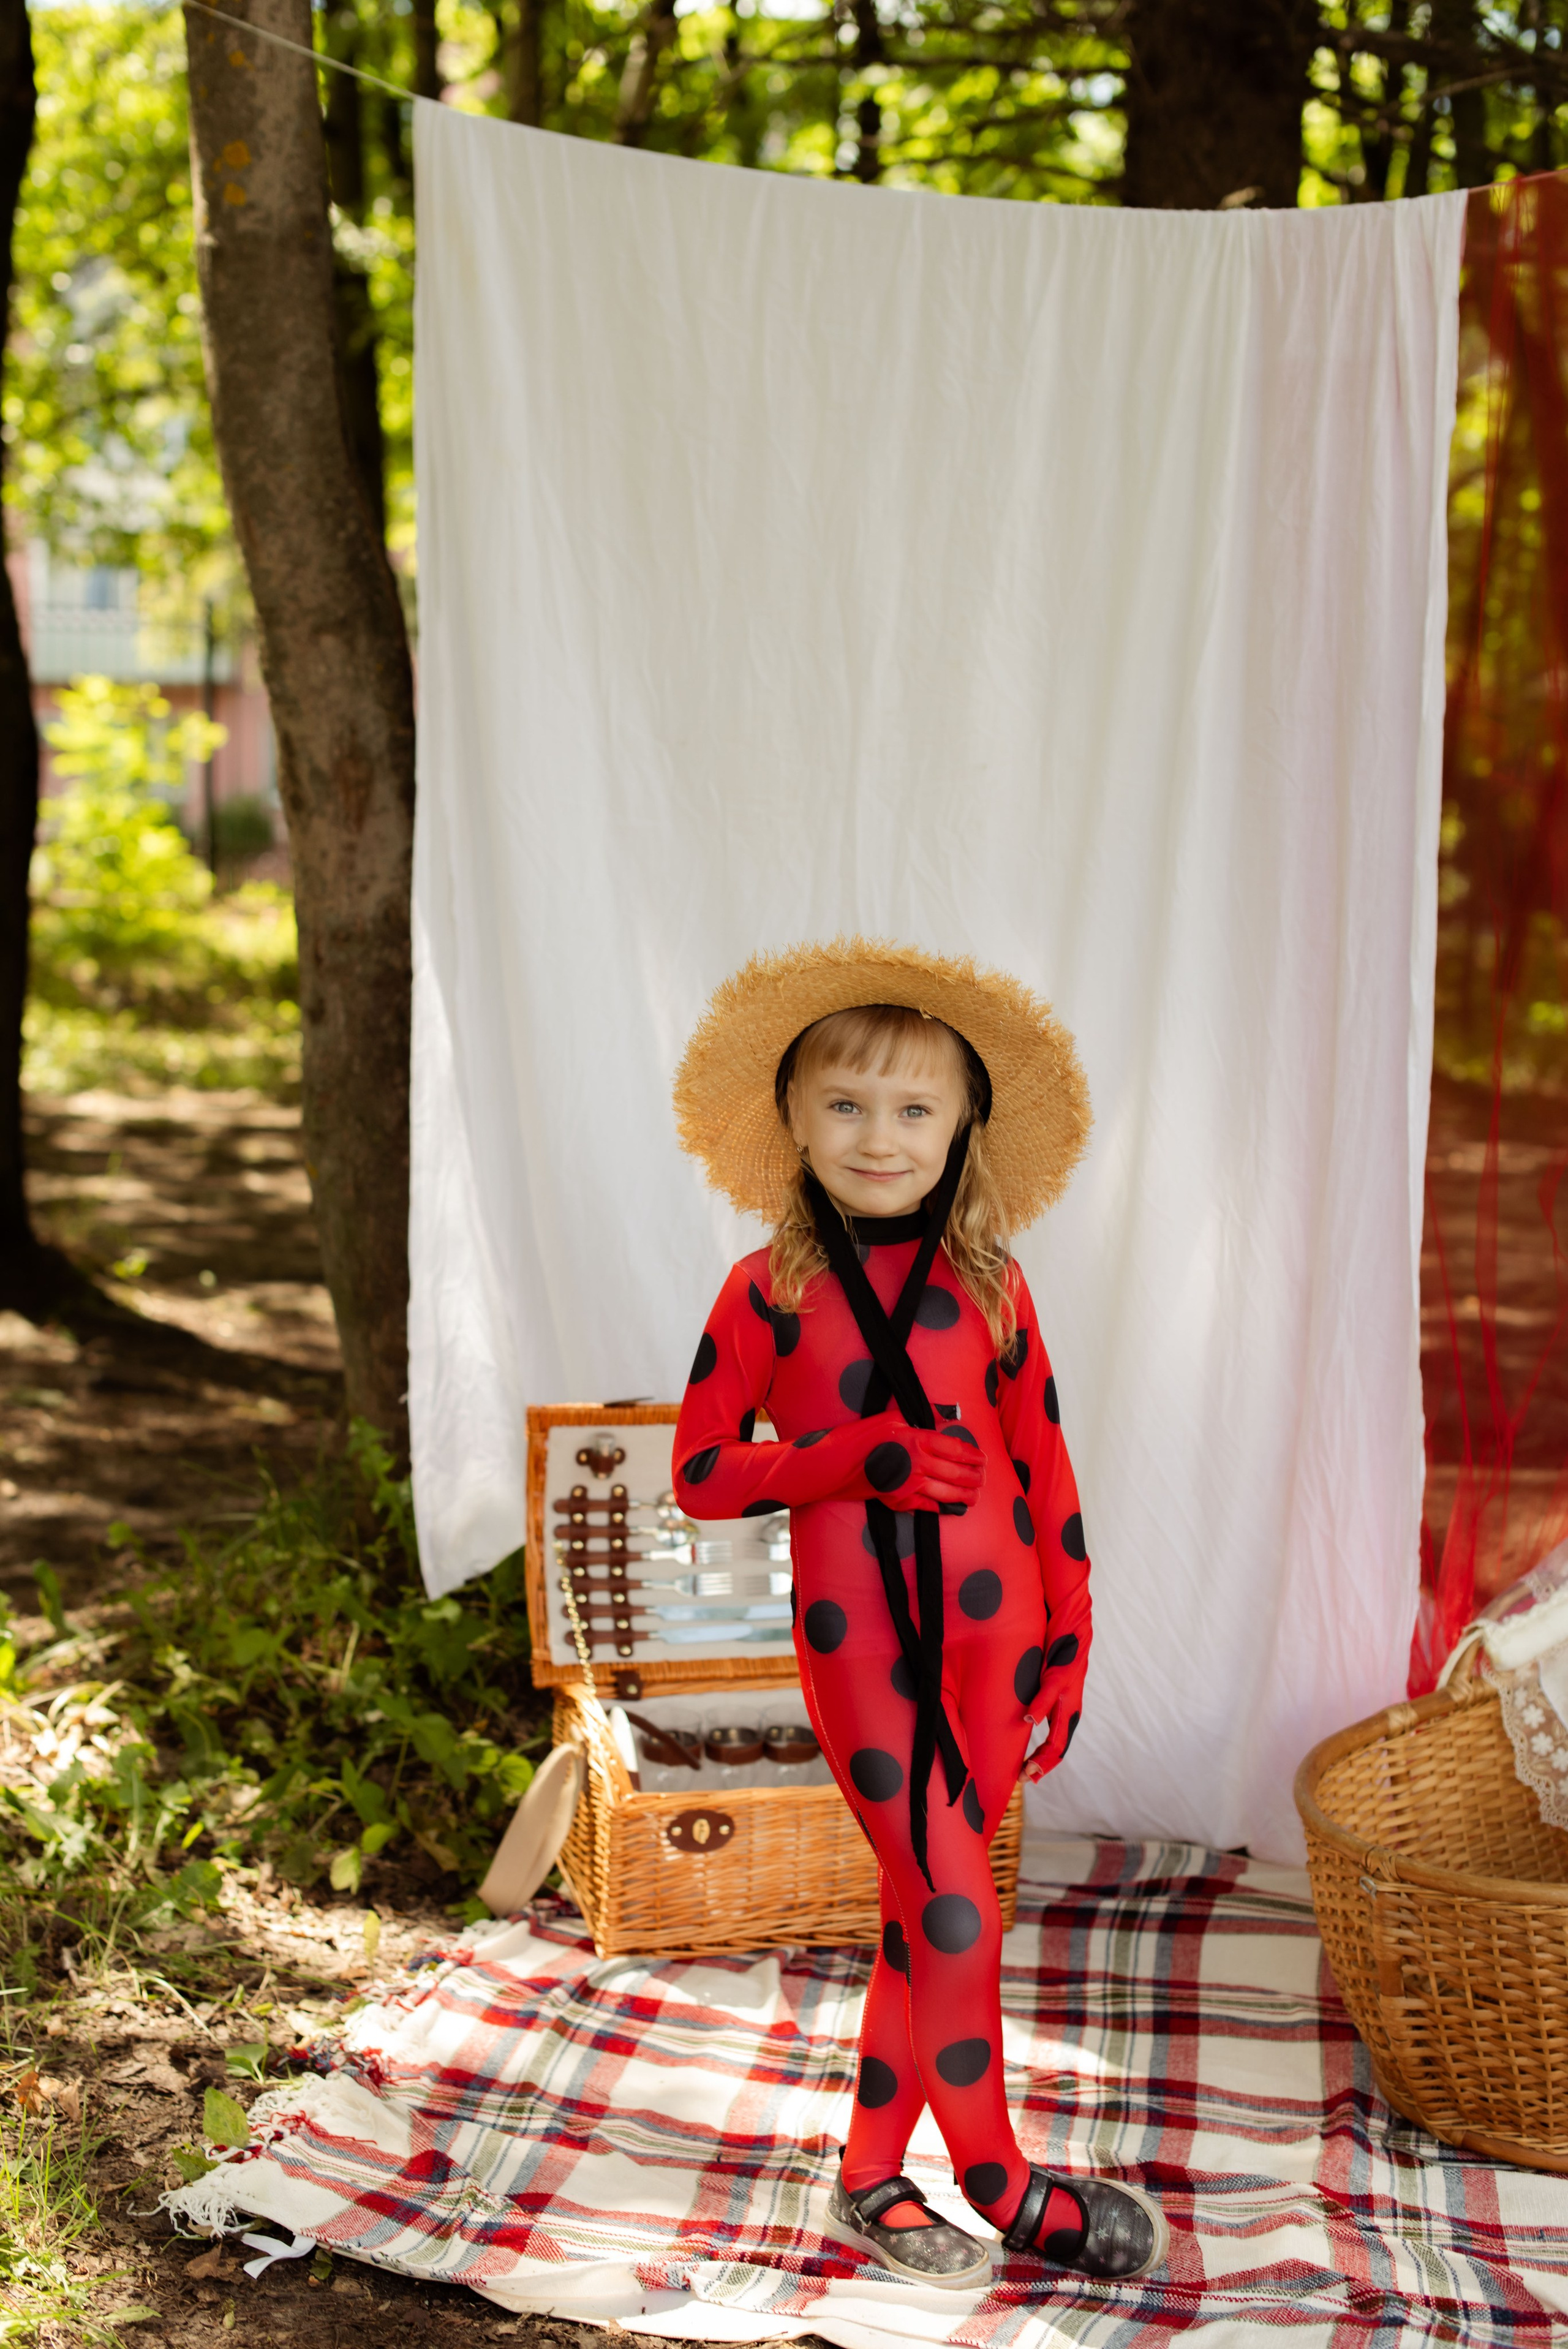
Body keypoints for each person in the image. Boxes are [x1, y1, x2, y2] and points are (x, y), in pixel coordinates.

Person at [671, 938, 1166, 2291]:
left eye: (912, 1109)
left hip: (1000, 1643)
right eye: (843, 1104)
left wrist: (1069, 1641)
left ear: (963, 1127)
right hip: (860, 1644)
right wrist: (849, 1456)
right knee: (955, 1907)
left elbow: (1046, 1473)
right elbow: (701, 1475)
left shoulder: (994, 1285)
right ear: (790, 1116)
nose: (876, 1137)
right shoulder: (765, 1293)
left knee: (921, 1904)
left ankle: (872, 2180)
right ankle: (1002, 2180)